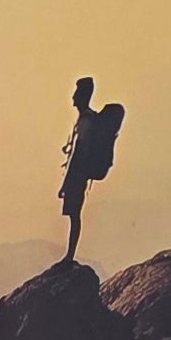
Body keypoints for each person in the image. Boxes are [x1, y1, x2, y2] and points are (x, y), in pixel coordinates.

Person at [59, 75, 126, 263]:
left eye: (76, 94)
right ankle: (69, 255)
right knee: (74, 215)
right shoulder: (87, 119)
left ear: (82, 96)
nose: (73, 98)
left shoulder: (86, 121)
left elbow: (78, 153)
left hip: (78, 175)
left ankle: (69, 256)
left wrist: (66, 183)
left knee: (74, 216)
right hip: (80, 174)